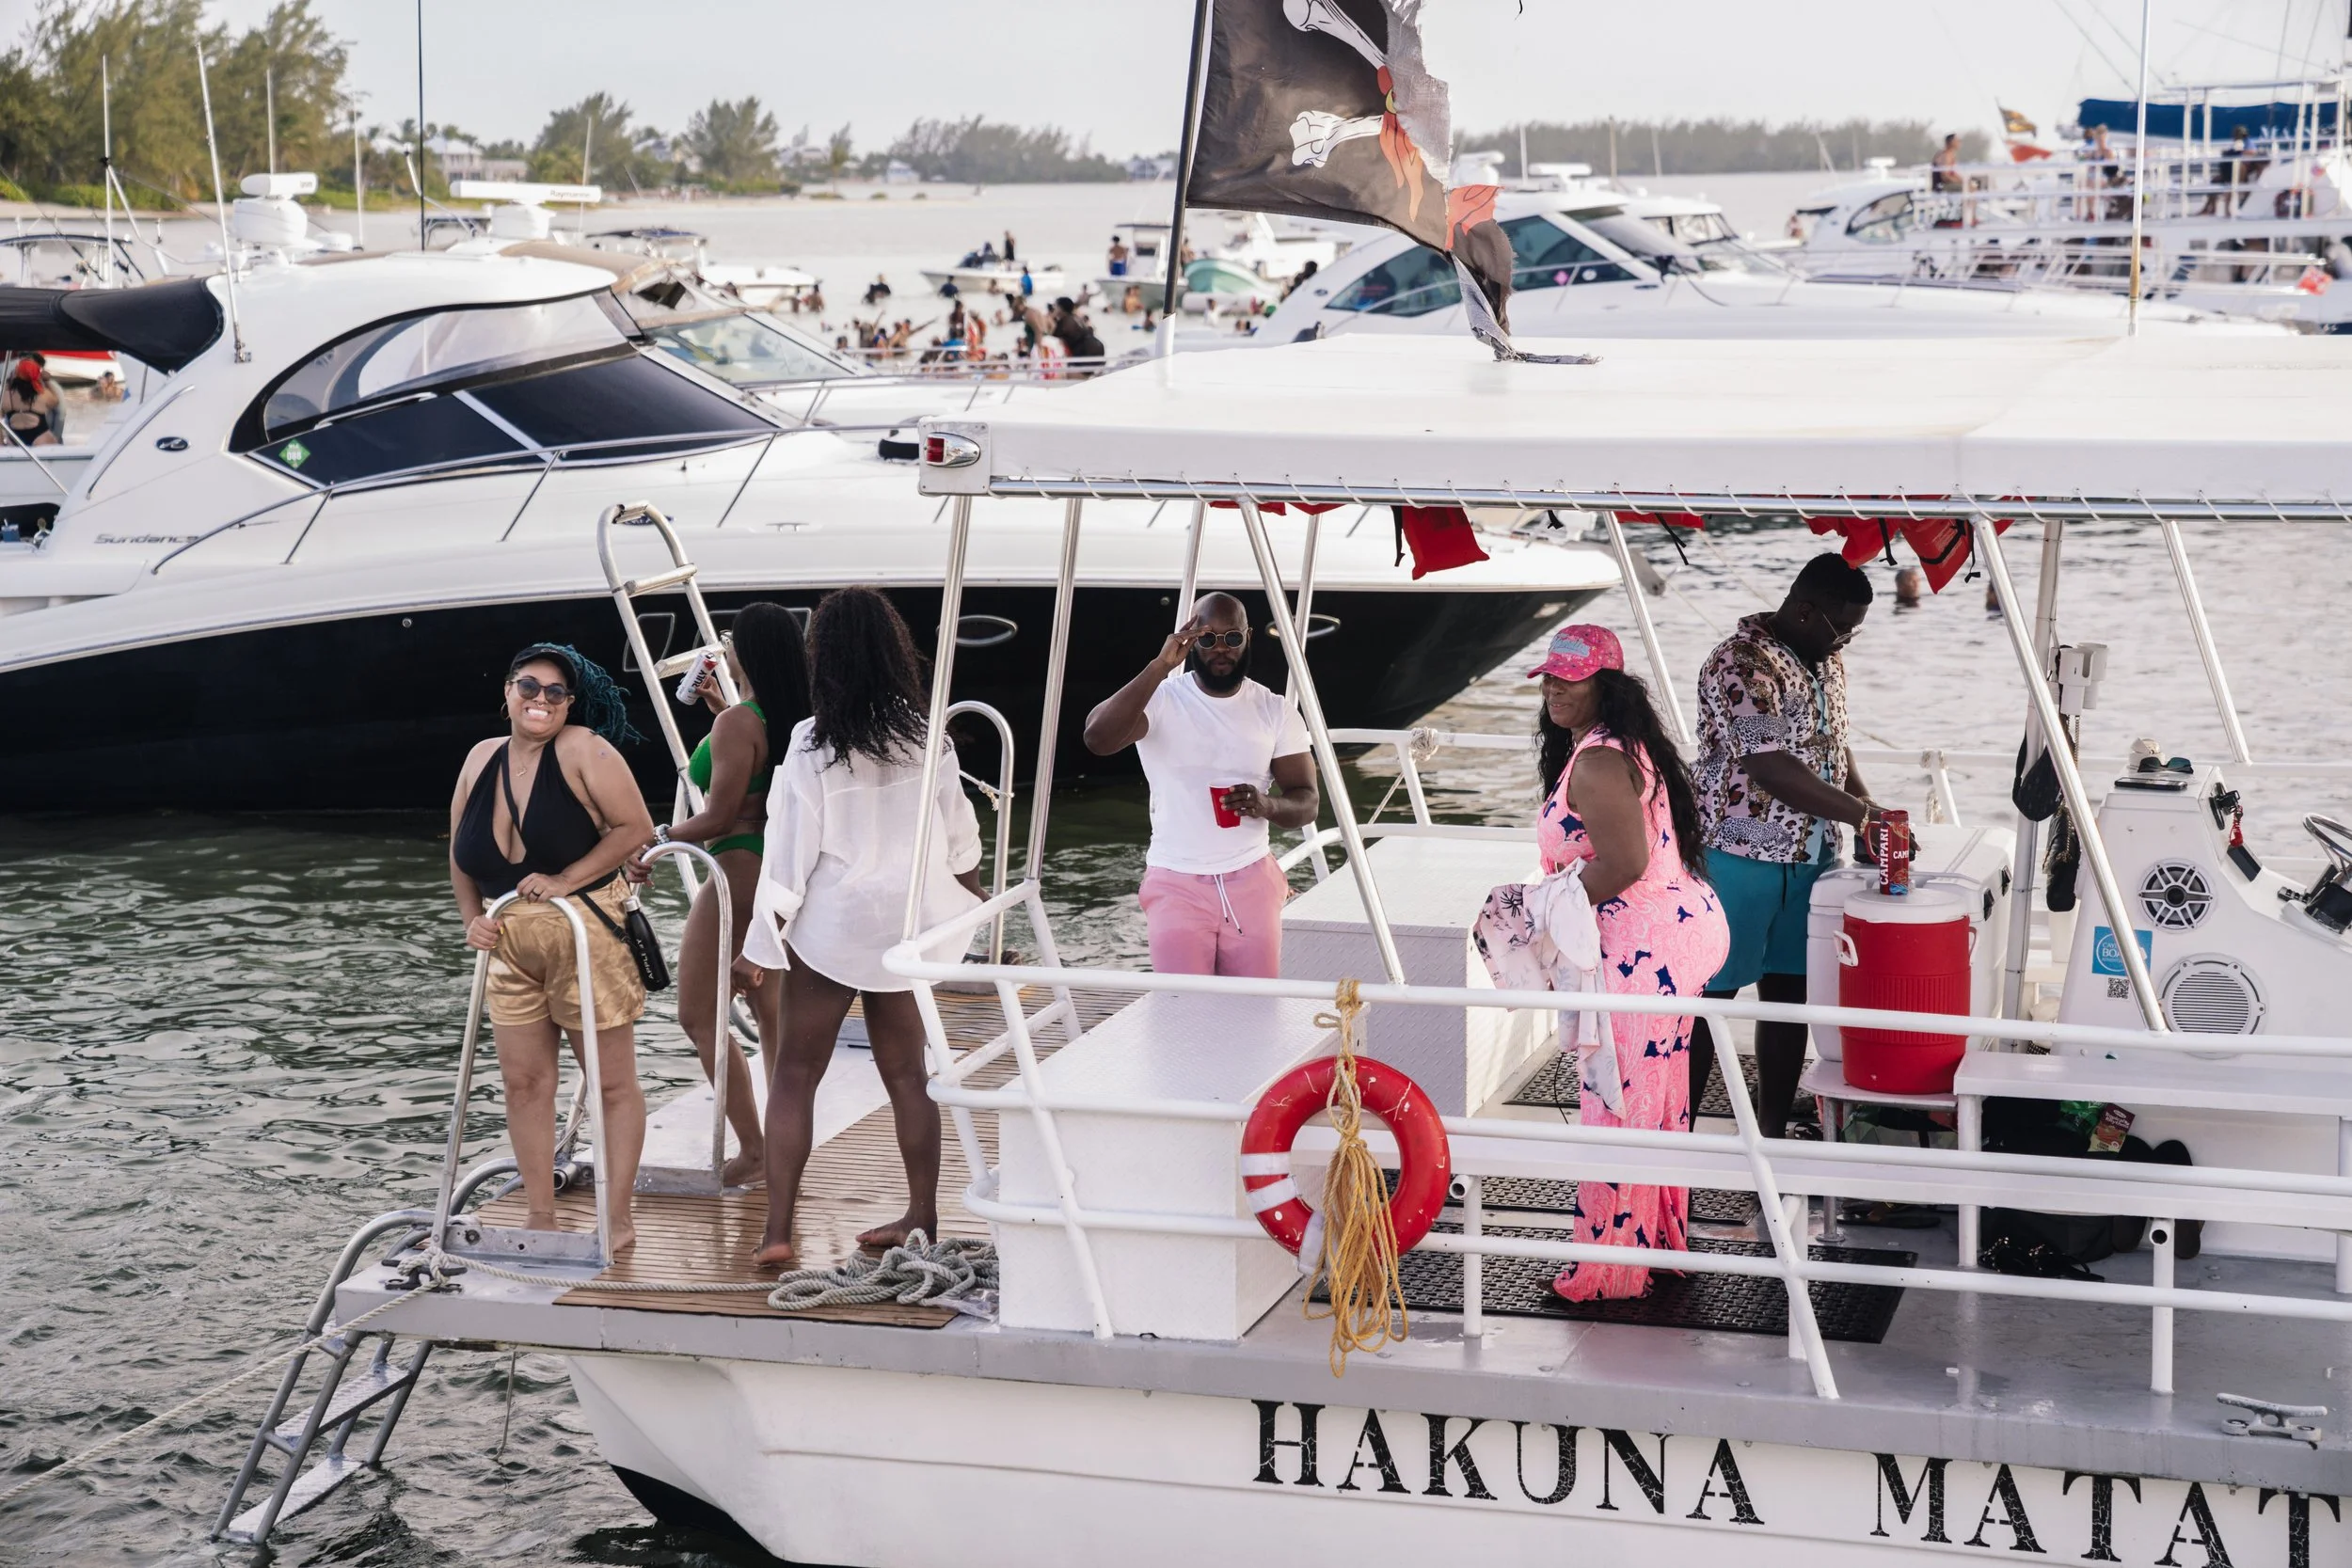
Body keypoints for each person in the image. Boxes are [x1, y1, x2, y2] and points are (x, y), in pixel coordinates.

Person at [741, 587, 986, 1267]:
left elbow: (789, 859)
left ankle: (778, 1230)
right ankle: (924, 1214)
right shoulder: (926, 733)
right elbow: (961, 839)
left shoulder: (810, 743)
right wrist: (970, 884)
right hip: (906, 925)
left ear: (824, 655)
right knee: (907, 1074)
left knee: (795, 1072)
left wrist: (759, 946)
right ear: (892, 651)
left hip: (835, 926)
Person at [1522, 625, 1726, 1301]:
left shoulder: (1600, 762)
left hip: (1642, 949)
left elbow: (1625, 864)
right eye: (1549, 676)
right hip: (1668, 934)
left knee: (1617, 1105)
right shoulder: (1619, 747)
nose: (1554, 687)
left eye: (1569, 678)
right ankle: (1657, 1243)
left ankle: (1610, 1271)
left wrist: (1543, 908)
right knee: (1655, 1104)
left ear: (1603, 684)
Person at [450, 645, 657, 1252]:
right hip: (509, 944)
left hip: (587, 935)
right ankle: (541, 1214)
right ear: (507, 693)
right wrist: (470, 919)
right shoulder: (479, 758)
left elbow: (636, 829)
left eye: (555, 692)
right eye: (528, 686)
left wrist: (565, 880)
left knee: (611, 1083)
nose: (540, 700)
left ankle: (616, 1219)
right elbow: (460, 851)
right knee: (524, 1084)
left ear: (571, 702)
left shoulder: (583, 748)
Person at [1687, 555, 1883, 1141]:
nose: (1847, 638)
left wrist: (1868, 812)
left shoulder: (1826, 658)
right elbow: (1768, 764)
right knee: (1711, 998)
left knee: (1790, 995)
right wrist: (1865, 816)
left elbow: (1833, 747)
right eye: (1841, 627)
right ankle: (1679, 1135)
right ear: (1803, 610)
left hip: (1812, 856)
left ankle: (1771, 1130)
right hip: (1736, 854)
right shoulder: (1738, 663)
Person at [634, 604, 811, 1187]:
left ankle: (756, 1150)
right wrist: (721, 709)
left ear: (750, 651)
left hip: (735, 871)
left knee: (698, 1013)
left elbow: (718, 817)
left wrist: (653, 841)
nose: (724, 644)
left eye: (732, 637)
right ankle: (785, 1152)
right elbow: (757, 787)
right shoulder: (783, 716)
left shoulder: (739, 725)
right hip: (779, 874)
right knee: (772, 1016)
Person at [1083, 592, 1317, 977]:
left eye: (1232, 638)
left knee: (1255, 1013)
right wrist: (1160, 666)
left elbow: (1307, 802)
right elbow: (1098, 739)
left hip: (1252, 879)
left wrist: (1266, 805)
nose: (1220, 649)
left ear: (1249, 637)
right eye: (1207, 639)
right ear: (1190, 640)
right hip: (1175, 882)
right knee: (1185, 1014)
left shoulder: (1275, 709)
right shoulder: (1161, 700)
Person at [4, 356, 59, 446]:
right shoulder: (42, 394)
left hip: (14, 439)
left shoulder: (6, 395)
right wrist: (47, 382)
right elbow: (55, 402)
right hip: (40, 438)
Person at [1047, 296, 1104, 365]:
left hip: (1087, 352)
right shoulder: (1076, 317)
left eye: (1055, 306)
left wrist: (1051, 318)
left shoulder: (1064, 322)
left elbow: (1050, 337)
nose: (1054, 308)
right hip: (1097, 346)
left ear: (1060, 309)